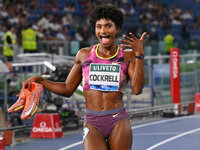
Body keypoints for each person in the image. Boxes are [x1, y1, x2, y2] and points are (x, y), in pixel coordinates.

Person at [23, 5, 146, 150]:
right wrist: (41, 80)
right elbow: (68, 89)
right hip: (92, 122)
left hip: (117, 119)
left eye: (108, 26)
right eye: (98, 26)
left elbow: (137, 89)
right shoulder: (84, 55)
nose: (103, 30)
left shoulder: (127, 56)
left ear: (117, 28)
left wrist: (139, 55)